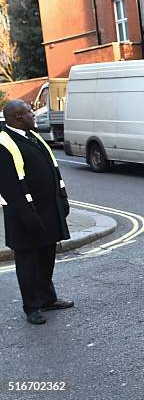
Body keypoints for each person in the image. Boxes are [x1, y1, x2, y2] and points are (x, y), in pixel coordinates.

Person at [0, 100, 73, 325]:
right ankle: (31, 306)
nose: (34, 115)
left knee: (46, 257)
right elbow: (9, 186)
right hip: (26, 216)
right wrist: (29, 217)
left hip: (48, 210)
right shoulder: (4, 142)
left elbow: (52, 169)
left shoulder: (30, 135)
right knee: (28, 262)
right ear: (18, 117)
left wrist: (62, 200)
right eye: (31, 112)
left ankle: (47, 298)